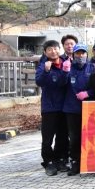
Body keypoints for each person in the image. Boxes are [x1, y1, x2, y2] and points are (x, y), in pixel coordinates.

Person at [35, 40, 70, 176]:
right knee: (48, 137)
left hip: (64, 106)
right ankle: (48, 162)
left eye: (55, 49)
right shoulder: (43, 65)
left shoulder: (66, 63)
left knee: (62, 136)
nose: (53, 51)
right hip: (49, 106)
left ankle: (59, 159)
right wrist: (46, 71)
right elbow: (39, 81)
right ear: (45, 52)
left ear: (59, 50)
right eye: (50, 49)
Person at [61, 44, 95, 176]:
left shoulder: (93, 68)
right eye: (77, 54)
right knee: (74, 137)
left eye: (83, 53)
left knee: (90, 137)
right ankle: (75, 162)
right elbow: (60, 84)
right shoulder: (68, 67)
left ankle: (91, 162)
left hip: (89, 108)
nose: (80, 56)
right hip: (72, 108)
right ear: (73, 54)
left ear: (87, 54)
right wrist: (64, 72)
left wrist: (89, 93)